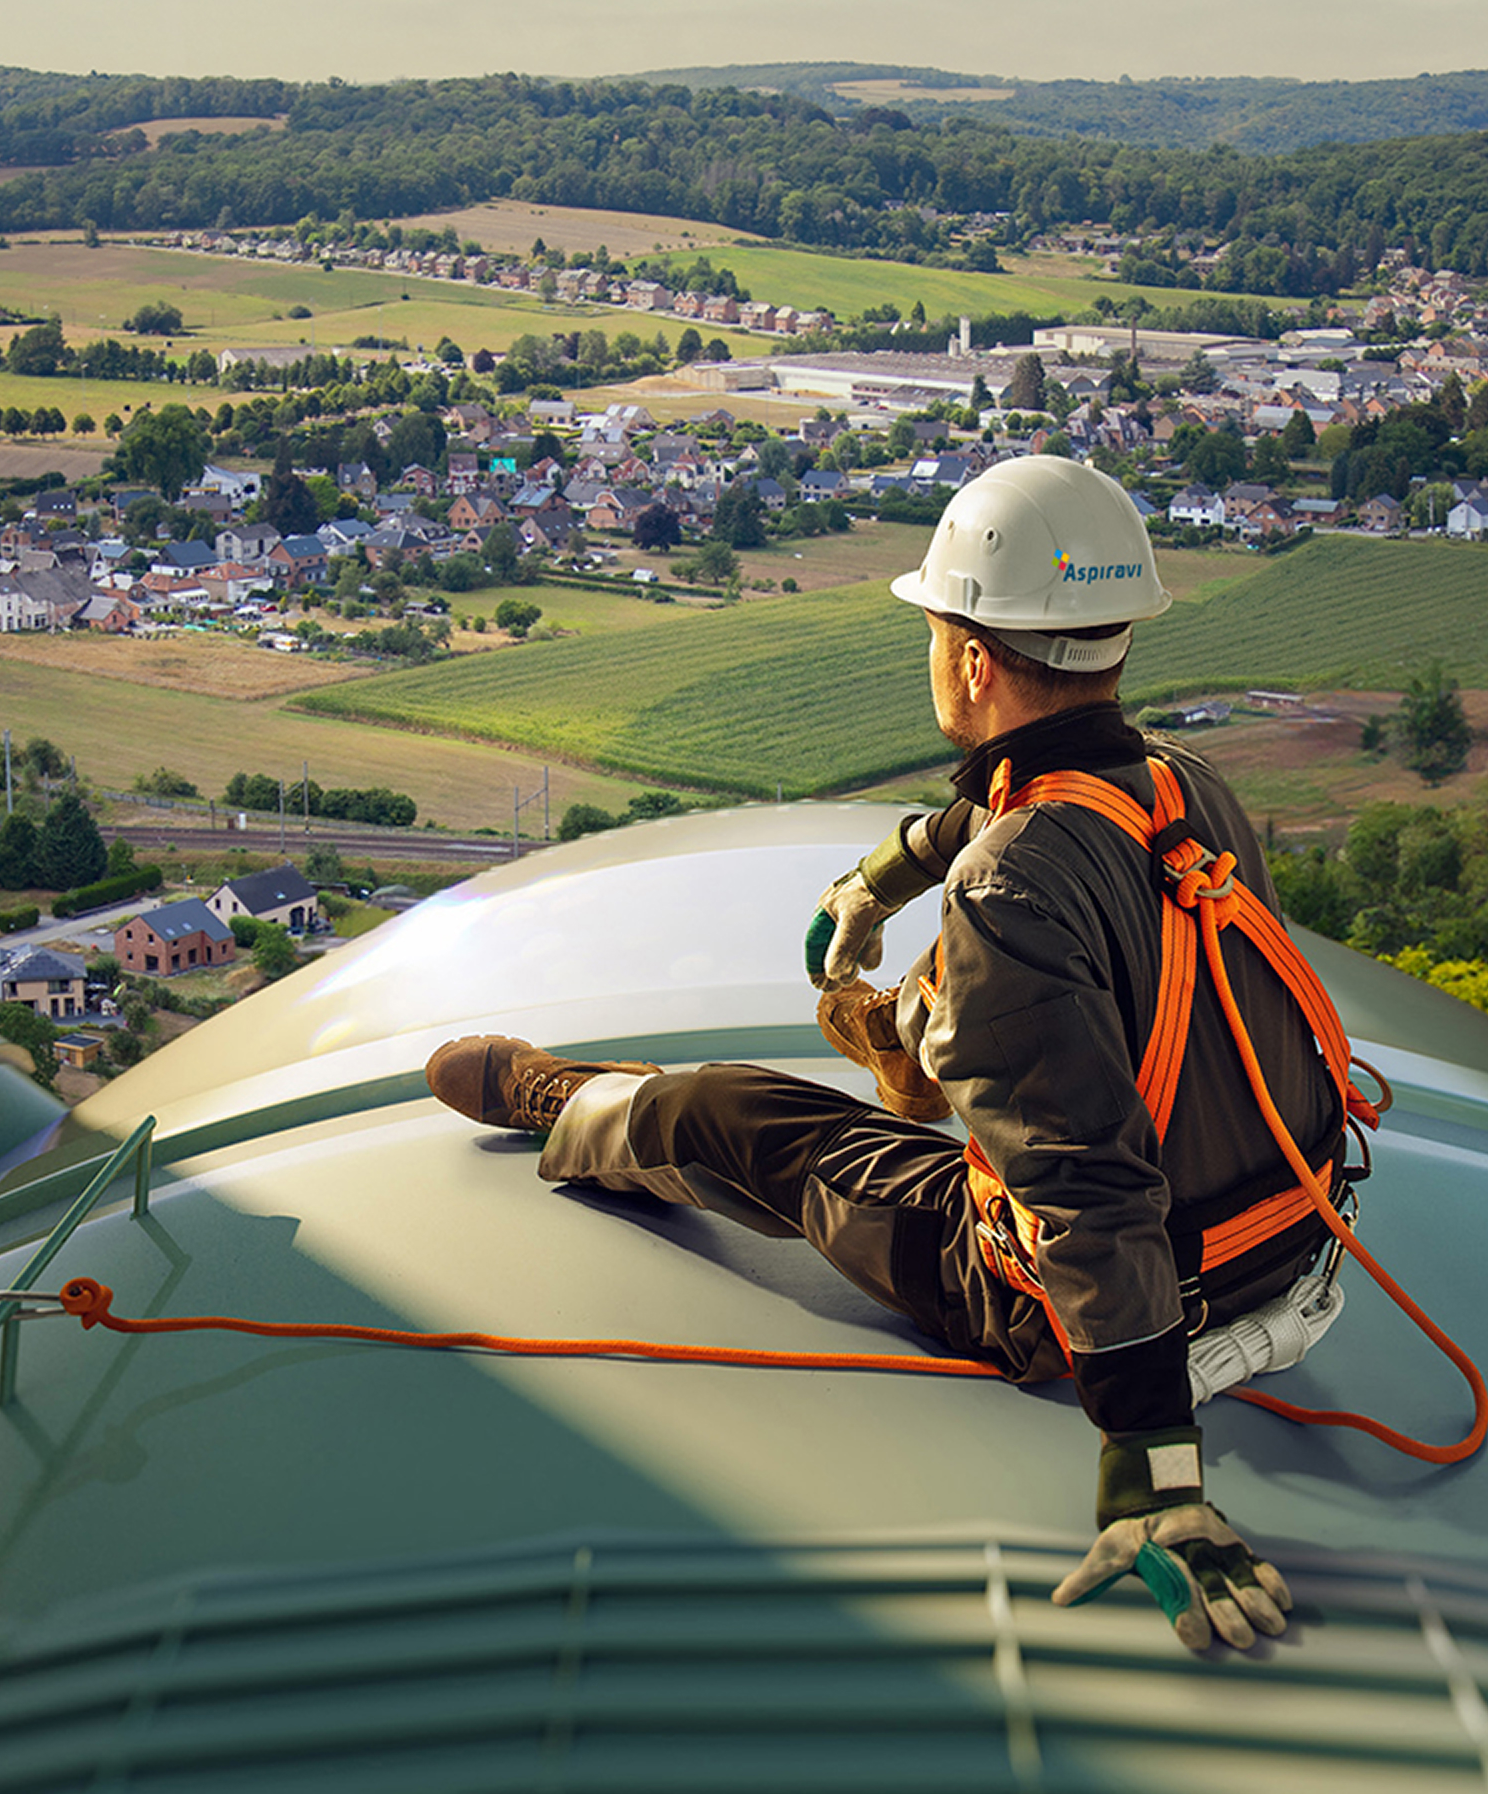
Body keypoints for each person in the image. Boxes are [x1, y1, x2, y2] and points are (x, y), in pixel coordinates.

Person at [427, 455, 1359, 1653]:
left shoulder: (1011, 888)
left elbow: (1088, 1188)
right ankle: (917, 1041)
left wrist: (1155, 1468)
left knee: (731, 1111)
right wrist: (885, 875)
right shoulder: (1183, 785)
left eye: (937, 627)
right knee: (992, 988)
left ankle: (579, 1105)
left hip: (1105, 1309)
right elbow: (1018, 809)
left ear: (973, 658)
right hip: (1293, 1251)